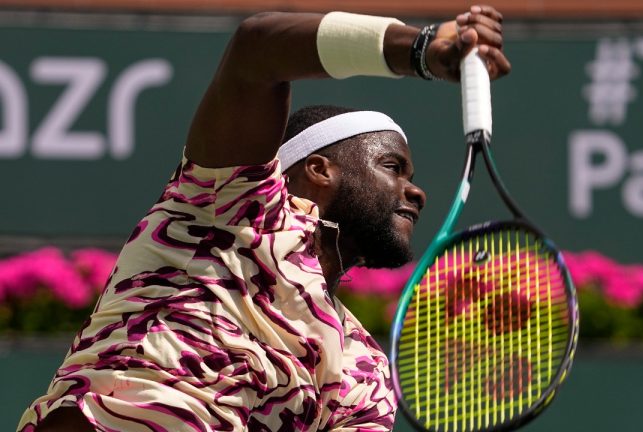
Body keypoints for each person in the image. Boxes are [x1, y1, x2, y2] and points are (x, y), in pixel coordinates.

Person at [19, 5, 510, 431]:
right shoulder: (227, 207)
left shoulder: (364, 374)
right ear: (318, 169)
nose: (416, 190)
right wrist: (418, 48)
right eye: (392, 167)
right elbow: (255, 50)